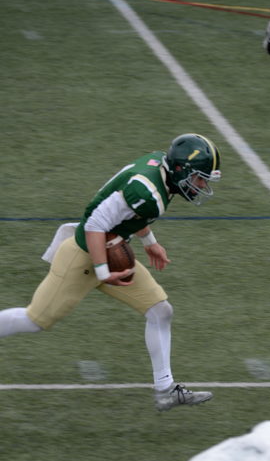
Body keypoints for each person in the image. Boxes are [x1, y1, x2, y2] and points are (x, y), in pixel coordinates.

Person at [0, 133, 221, 411]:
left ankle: (166, 390)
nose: (201, 186)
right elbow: (95, 223)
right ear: (180, 169)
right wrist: (103, 271)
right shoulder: (147, 190)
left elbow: (129, 214)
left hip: (110, 250)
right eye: (199, 178)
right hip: (83, 258)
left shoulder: (159, 172)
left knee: (160, 310)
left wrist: (149, 242)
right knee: (35, 320)